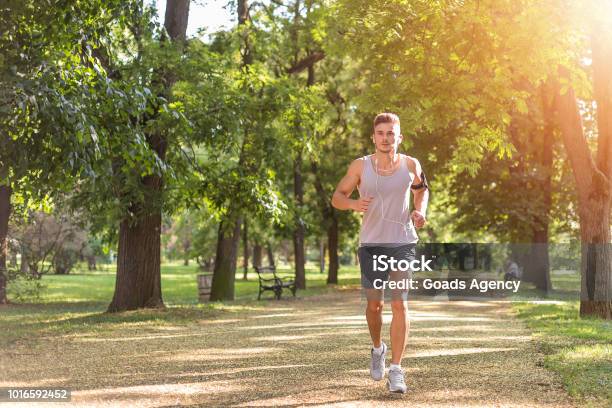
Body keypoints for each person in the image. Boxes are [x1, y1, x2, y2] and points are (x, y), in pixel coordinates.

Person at [331, 112, 429, 393]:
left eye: (391, 133)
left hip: (402, 241)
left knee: (400, 303)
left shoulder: (411, 164)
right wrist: (353, 204)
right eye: (381, 133)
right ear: (373, 137)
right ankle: (378, 348)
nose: (386, 138)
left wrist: (419, 211)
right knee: (375, 306)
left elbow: (422, 190)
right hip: (372, 244)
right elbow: (337, 197)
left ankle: (396, 370)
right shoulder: (360, 166)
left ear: (399, 137)